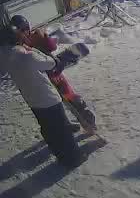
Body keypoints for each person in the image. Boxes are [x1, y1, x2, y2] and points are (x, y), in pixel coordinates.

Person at [0, 25, 82, 167]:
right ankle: (73, 159)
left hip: (31, 99)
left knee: (48, 128)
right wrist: (33, 50)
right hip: (47, 98)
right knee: (62, 130)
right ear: (16, 38)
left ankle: (60, 155)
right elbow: (50, 64)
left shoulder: (3, 55)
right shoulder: (26, 54)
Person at [11, 16, 96, 135]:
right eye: (23, 30)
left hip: (50, 73)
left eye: (24, 29)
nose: (24, 32)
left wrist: (44, 38)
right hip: (45, 75)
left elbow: (51, 47)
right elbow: (52, 47)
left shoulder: (21, 44)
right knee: (59, 101)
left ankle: (87, 120)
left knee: (66, 97)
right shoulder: (22, 44)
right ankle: (70, 123)